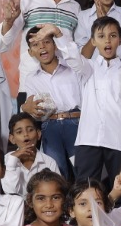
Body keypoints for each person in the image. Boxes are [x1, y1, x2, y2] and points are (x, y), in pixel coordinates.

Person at [71, 16, 121, 189]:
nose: (107, 41)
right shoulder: (88, 68)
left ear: (120, 40)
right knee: (85, 189)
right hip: (88, 139)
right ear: (93, 41)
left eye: (113, 35)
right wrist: (58, 34)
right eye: (101, 36)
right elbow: (72, 58)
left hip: (120, 139)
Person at [20, 26, 83, 180]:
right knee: (56, 173)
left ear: (55, 45)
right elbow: (26, 104)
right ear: (30, 52)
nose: (42, 46)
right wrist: (25, 107)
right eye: (35, 45)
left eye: (46, 41)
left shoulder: (73, 69)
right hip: (49, 126)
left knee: (82, 170)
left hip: (75, 123)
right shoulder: (31, 79)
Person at [2, 113, 61, 198]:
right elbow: (10, 192)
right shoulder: (7, 159)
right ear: (12, 139)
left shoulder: (49, 162)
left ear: (38, 134)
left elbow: (57, 191)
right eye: (19, 132)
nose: (26, 134)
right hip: (16, 208)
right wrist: (13, 159)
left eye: (30, 130)